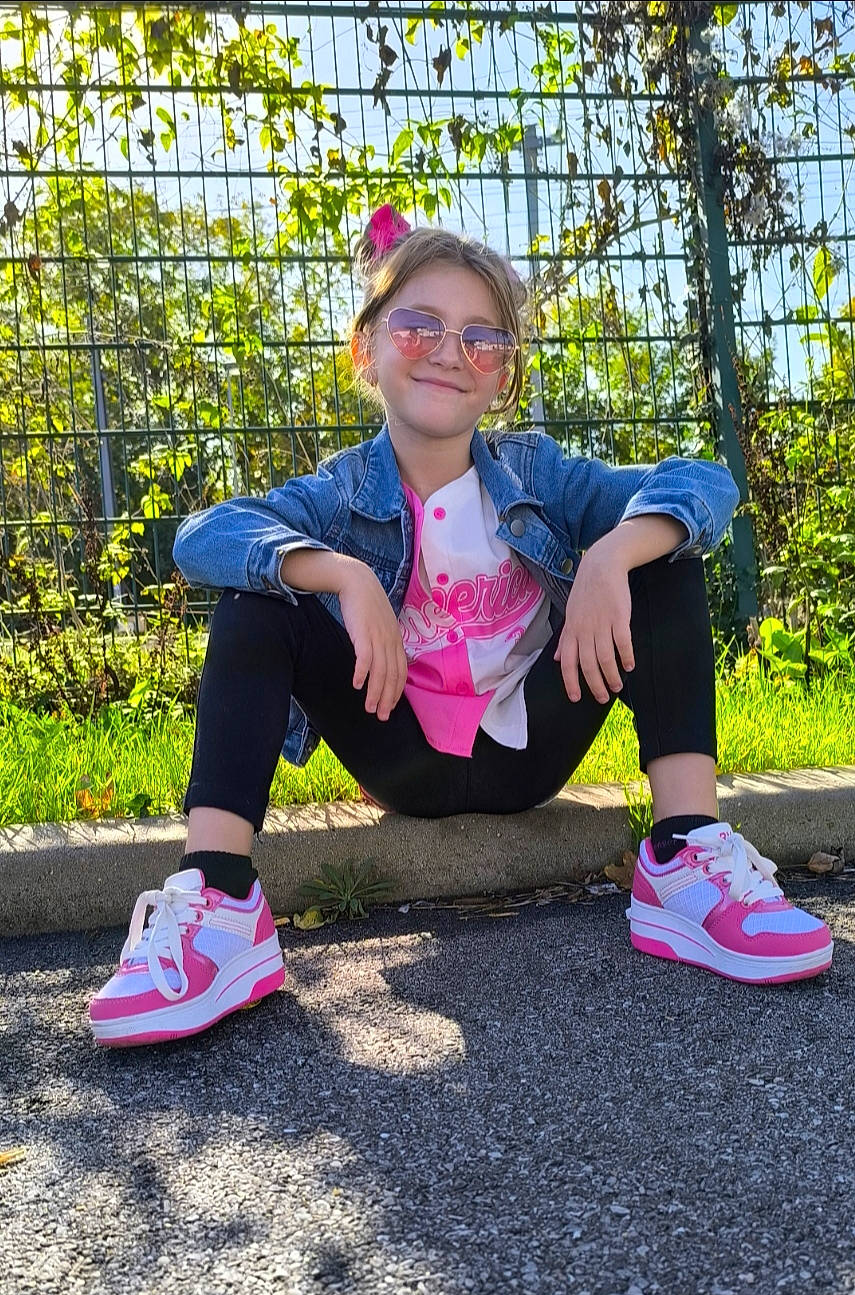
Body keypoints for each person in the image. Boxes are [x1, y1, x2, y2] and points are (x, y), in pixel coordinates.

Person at [89, 205, 834, 1046]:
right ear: (365, 348)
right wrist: (342, 572)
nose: (450, 351)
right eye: (419, 326)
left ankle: (684, 858)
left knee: (659, 552)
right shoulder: (337, 494)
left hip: (530, 748)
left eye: (482, 337)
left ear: (503, 377)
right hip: (399, 752)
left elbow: (702, 482)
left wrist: (607, 555)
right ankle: (220, 906)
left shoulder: (536, 473)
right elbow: (205, 536)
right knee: (259, 592)